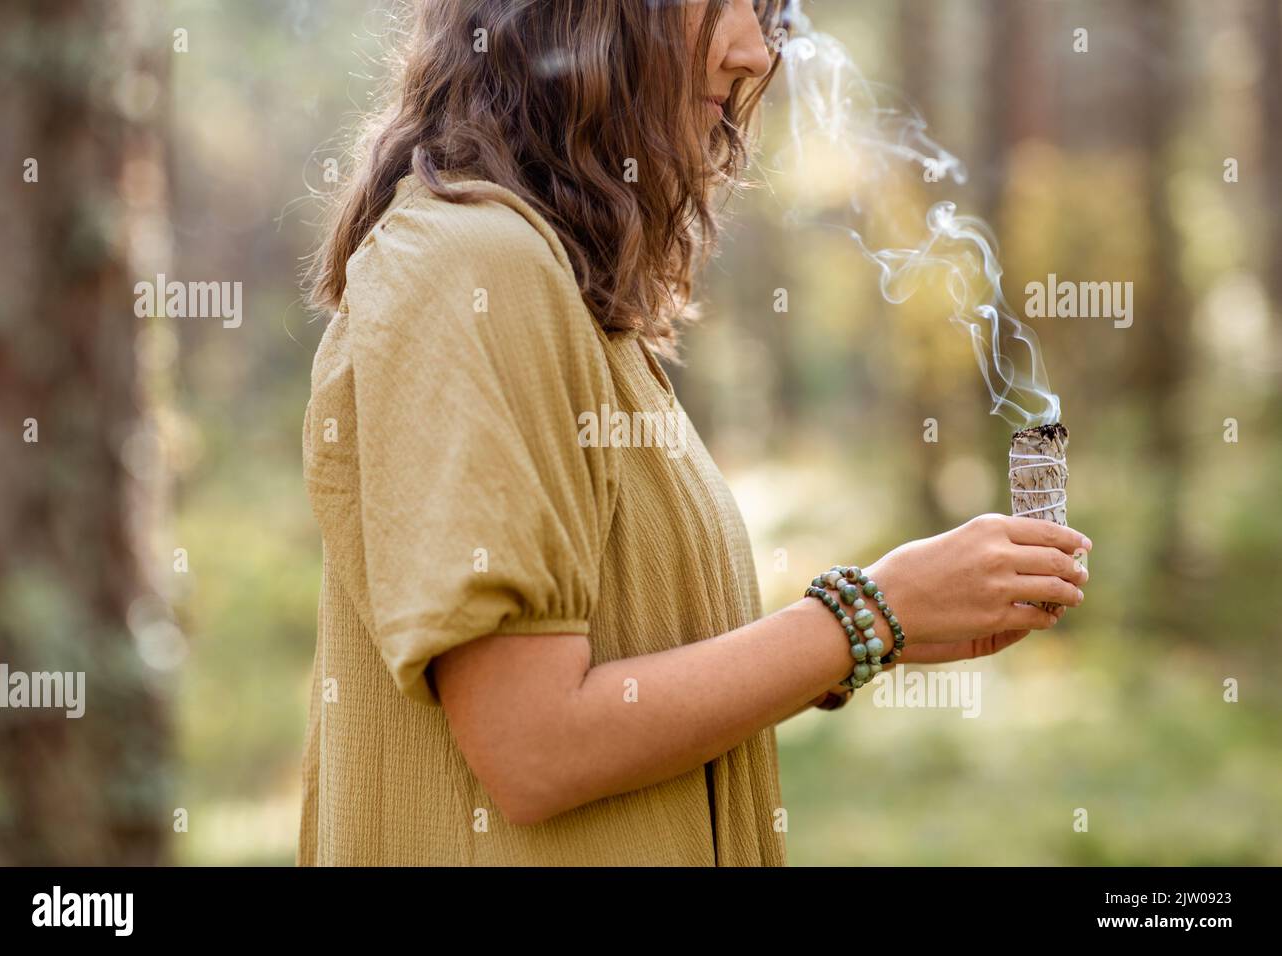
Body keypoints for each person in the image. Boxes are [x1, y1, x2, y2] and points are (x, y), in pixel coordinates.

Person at [296, 0, 1090, 866]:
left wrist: (867, 640)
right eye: (722, 5)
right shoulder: (473, 269)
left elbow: (621, 663)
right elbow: (533, 746)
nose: (755, 53)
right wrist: (869, 615)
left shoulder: (564, 291)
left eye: (767, 10)